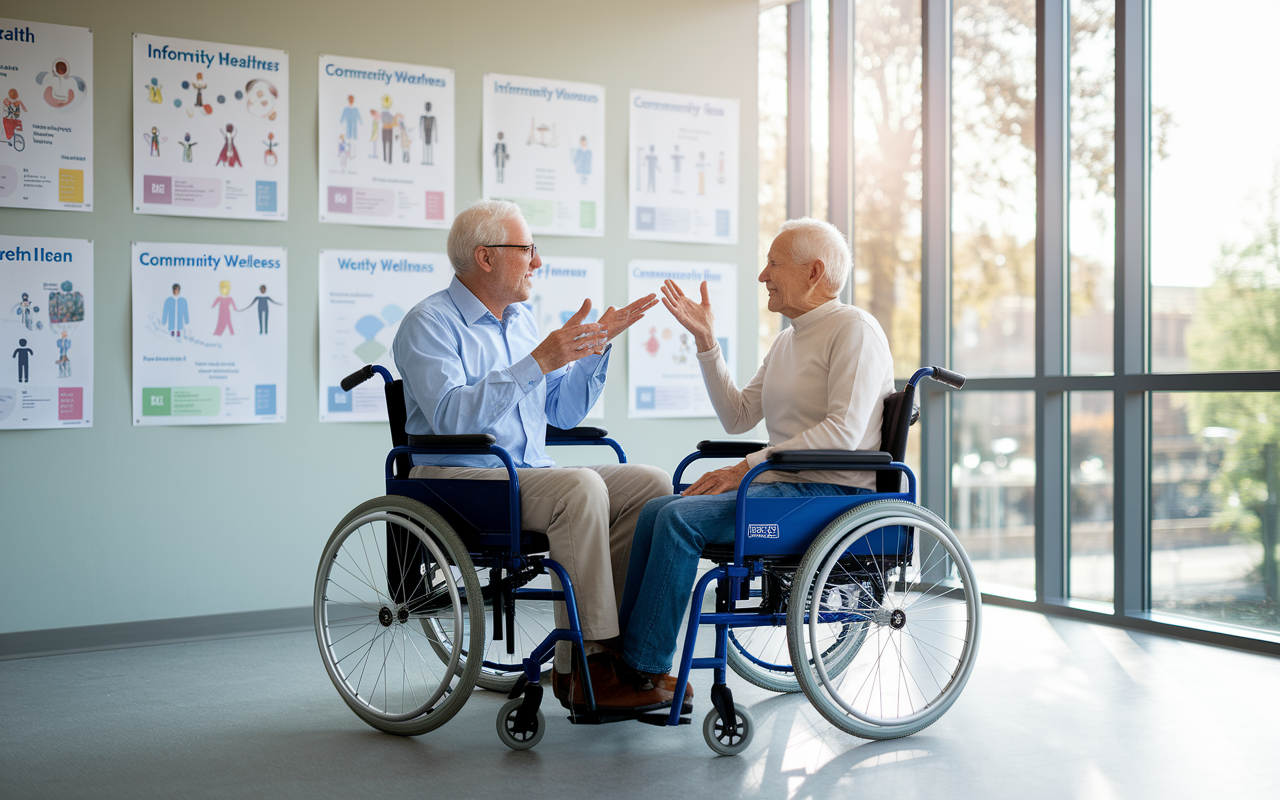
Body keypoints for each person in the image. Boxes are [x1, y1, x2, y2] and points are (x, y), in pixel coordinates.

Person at [392, 200, 674, 714]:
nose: (537, 263)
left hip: (525, 475)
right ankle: (584, 665)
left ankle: (622, 656)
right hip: (459, 480)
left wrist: (594, 350)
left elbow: (561, 412)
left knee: (651, 484)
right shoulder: (427, 323)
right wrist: (538, 361)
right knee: (581, 486)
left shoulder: (521, 321)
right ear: (485, 257)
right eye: (527, 250)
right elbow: (452, 418)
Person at [617, 217, 896, 688]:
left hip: (830, 495)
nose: (763, 275)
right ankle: (621, 655)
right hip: (785, 485)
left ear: (813, 272)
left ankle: (642, 671)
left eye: (773, 263)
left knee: (679, 520)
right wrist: (706, 342)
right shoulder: (789, 338)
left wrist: (748, 466)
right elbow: (739, 415)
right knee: (655, 509)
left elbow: (844, 433)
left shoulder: (854, 330)